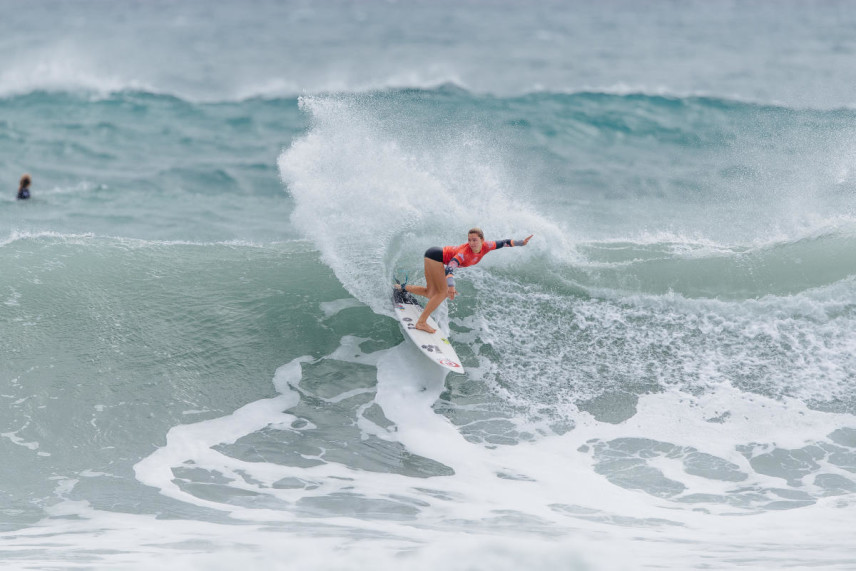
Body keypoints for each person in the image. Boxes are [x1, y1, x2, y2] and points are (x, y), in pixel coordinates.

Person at [399, 227, 534, 334]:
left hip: (433, 255)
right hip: (435, 257)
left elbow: (504, 242)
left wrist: (521, 243)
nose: (471, 243)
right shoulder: (464, 253)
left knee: (430, 293)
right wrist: (450, 287)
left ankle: (402, 288)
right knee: (442, 293)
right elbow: (450, 268)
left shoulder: (487, 246)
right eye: (469, 240)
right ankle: (421, 322)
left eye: (474, 240)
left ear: (482, 240)